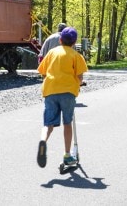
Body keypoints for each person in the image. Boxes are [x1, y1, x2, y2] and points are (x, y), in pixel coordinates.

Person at [36, 26, 88, 169]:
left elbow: (42, 71)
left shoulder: (52, 53)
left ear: (60, 40)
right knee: (67, 123)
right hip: (68, 92)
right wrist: (80, 83)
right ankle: (67, 154)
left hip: (50, 91)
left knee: (48, 124)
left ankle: (43, 141)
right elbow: (79, 76)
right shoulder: (76, 56)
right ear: (74, 42)